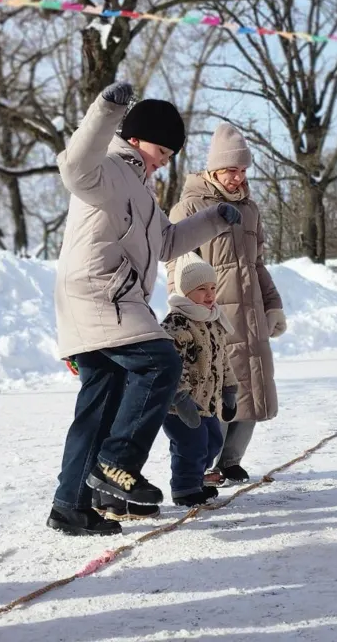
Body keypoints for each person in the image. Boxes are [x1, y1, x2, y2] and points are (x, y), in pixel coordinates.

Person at [48, 81, 242, 536]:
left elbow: (168, 243)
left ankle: (70, 505)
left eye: (170, 155)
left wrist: (214, 219)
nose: (164, 161)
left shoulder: (141, 191)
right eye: (161, 150)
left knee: (100, 403)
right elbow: (73, 165)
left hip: (112, 300)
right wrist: (106, 109)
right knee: (160, 361)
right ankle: (117, 463)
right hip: (99, 295)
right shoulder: (107, 169)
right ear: (135, 139)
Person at [166, 122, 284, 488]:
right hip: (210, 316)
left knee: (250, 390)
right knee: (211, 392)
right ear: (215, 169)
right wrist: (186, 313)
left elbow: (257, 264)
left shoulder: (250, 210)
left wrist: (273, 305)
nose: (238, 178)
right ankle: (202, 466)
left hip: (250, 316)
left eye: (243, 170)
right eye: (231, 170)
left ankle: (232, 461)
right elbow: (177, 266)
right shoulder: (190, 207)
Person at [160, 253, 239, 507]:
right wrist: (180, 396)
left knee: (213, 443)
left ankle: (196, 479)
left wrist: (229, 389)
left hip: (207, 403)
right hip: (180, 405)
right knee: (190, 445)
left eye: (213, 288)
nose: (210, 294)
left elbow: (223, 359)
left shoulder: (213, 320)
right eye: (202, 289)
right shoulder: (177, 323)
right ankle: (185, 488)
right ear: (185, 292)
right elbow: (170, 364)